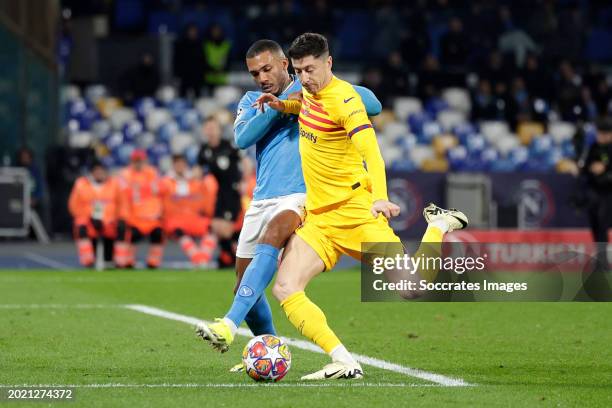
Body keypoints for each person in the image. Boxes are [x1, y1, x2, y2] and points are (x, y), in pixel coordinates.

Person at [200, 33, 468, 380]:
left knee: (412, 288)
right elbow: (285, 115)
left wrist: (380, 196)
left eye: (309, 70)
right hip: (320, 218)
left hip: (355, 212)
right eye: (300, 71)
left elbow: (371, 148)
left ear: (326, 64)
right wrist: (283, 104)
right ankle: (342, 359)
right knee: (284, 287)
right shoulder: (304, 94)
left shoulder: (344, 99)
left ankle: (438, 226)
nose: (305, 79)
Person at [195, 39, 384, 371]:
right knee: (245, 286)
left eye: (267, 69)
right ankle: (271, 348)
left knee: (277, 241)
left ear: (284, 64)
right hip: (262, 197)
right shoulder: (253, 100)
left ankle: (228, 325)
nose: (261, 78)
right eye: (255, 73)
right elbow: (242, 138)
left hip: (300, 195)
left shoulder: (312, 87)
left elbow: (373, 103)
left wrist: (320, 87)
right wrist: (282, 103)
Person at [197, 117, 242, 267]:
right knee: (216, 226)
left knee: (225, 228)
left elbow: (244, 162)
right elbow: (198, 170)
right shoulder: (204, 150)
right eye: (208, 128)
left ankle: (231, 257)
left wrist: (243, 181)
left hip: (232, 191)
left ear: (219, 130)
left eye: (213, 127)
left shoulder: (228, 145)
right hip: (219, 193)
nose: (210, 131)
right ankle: (228, 256)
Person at [161, 154, 217, 266]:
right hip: (175, 219)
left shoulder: (195, 182)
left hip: (194, 218)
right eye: (177, 163)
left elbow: (205, 198)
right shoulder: (166, 182)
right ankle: (199, 259)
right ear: (173, 165)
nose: (180, 166)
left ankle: (202, 258)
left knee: (213, 229)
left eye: (182, 163)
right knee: (179, 232)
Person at [114, 150, 164, 269]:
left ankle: (153, 263)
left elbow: (158, 192)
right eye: (136, 161)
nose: (138, 164)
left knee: (158, 233)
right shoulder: (125, 175)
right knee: (130, 235)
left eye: (140, 161)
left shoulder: (152, 173)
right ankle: (127, 261)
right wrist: (124, 216)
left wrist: (158, 213)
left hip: (151, 217)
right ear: (131, 161)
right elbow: (123, 197)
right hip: (134, 216)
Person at [68, 161, 118, 267]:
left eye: (101, 171)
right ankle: (88, 261)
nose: (99, 173)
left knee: (116, 230)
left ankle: (110, 260)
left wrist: (108, 219)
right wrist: (90, 217)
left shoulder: (114, 184)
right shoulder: (81, 184)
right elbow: (74, 205)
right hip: (88, 219)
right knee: (82, 228)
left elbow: (120, 204)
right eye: (96, 171)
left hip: (109, 220)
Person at [582, 117, 612, 246]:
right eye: (600, 133)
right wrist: (591, 168)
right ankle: (601, 259)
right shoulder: (593, 147)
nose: (602, 136)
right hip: (594, 191)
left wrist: (604, 169)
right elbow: (585, 168)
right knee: (595, 224)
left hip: (609, 192)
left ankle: (602, 261)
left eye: (605, 133)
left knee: (602, 224)